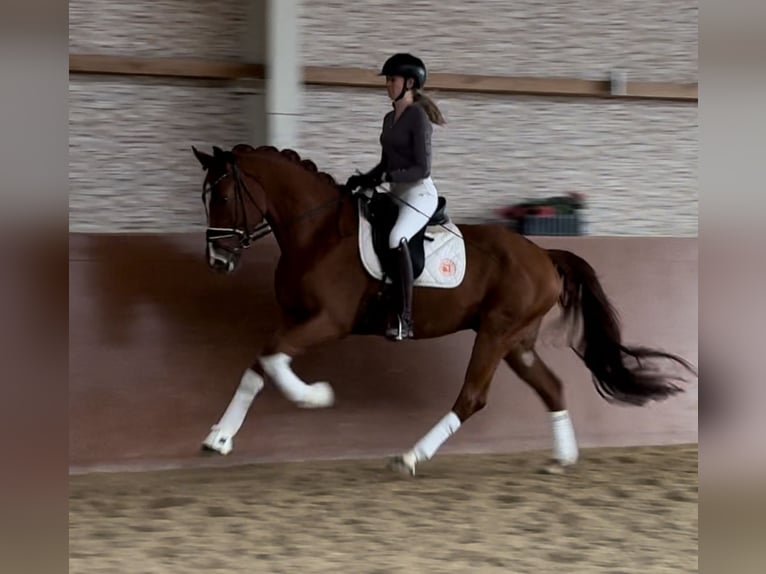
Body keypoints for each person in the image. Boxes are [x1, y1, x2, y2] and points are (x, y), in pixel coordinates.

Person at [345, 53, 447, 341]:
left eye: (392, 80)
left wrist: (388, 177)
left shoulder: (418, 116)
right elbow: (384, 163)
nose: (387, 85)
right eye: (388, 80)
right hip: (396, 192)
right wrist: (366, 177)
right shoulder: (389, 117)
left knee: (396, 237)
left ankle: (405, 317)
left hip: (419, 192)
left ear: (409, 82)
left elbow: (421, 168)